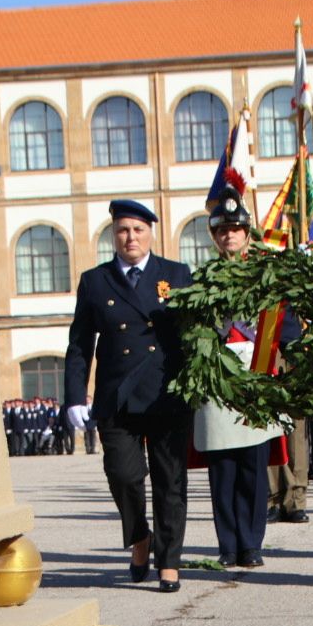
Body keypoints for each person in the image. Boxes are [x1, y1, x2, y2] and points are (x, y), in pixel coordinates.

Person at [65, 199, 194, 594]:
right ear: (113, 235)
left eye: (138, 230)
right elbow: (80, 345)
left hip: (166, 392)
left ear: (151, 233)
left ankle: (168, 561)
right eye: (123, 230)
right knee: (124, 475)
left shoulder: (176, 274)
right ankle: (140, 536)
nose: (130, 237)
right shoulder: (95, 281)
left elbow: (196, 331)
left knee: (170, 481)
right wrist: (74, 395)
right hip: (116, 396)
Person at [192, 195, 276, 569]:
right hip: (217, 375)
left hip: (255, 371)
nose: (230, 236)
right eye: (223, 230)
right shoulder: (203, 278)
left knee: (253, 467)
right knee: (223, 467)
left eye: (236, 229)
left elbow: (277, 324)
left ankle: (252, 543)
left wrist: (263, 369)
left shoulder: (265, 275)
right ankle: (228, 544)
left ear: (247, 234)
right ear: (216, 237)